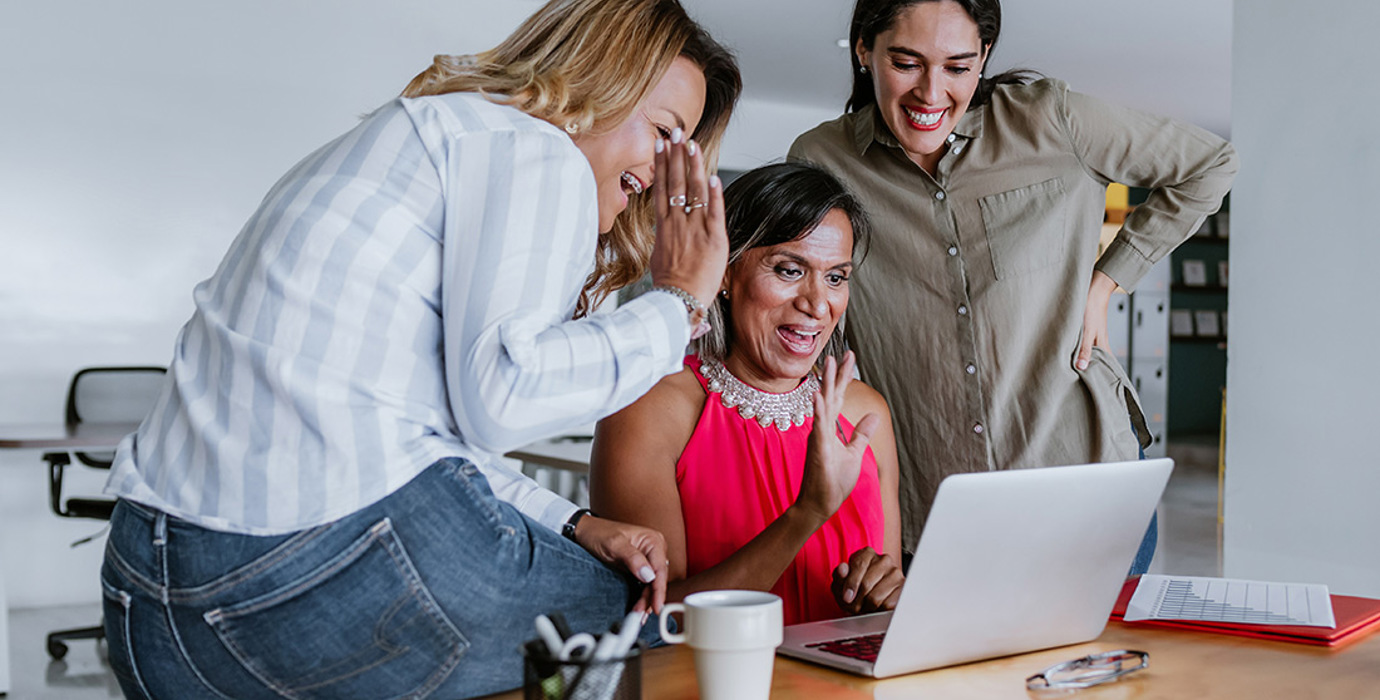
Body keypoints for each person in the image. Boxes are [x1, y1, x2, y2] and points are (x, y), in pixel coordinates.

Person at [97, 1, 741, 697]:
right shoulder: (541, 147)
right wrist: (679, 301)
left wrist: (572, 519)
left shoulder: (424, 136)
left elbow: (418, 430)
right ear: (600, 80)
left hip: (147, 594)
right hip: (300, 569)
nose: (663, 170)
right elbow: (507, 399)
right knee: (634, 618)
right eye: (666, 132)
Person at [789, 0, 1238, 572]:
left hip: (1086, 481)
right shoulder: (822, 159)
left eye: (957, 66)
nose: (932, 93)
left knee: (1091, 661)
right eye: (906, 62)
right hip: (932, 502)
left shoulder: (1052, 120)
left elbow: (1210, 165)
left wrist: (1107, 281)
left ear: (985, 58)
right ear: (863, 51)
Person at [590, 162, 906, 626]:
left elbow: (888, 592)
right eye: (789, 270)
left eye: (836, 277)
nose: (818, 304)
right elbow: (657, 623)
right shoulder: (651, 409)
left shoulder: (864, 413)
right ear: (724, 274)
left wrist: (882, 592)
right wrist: (807, 513)